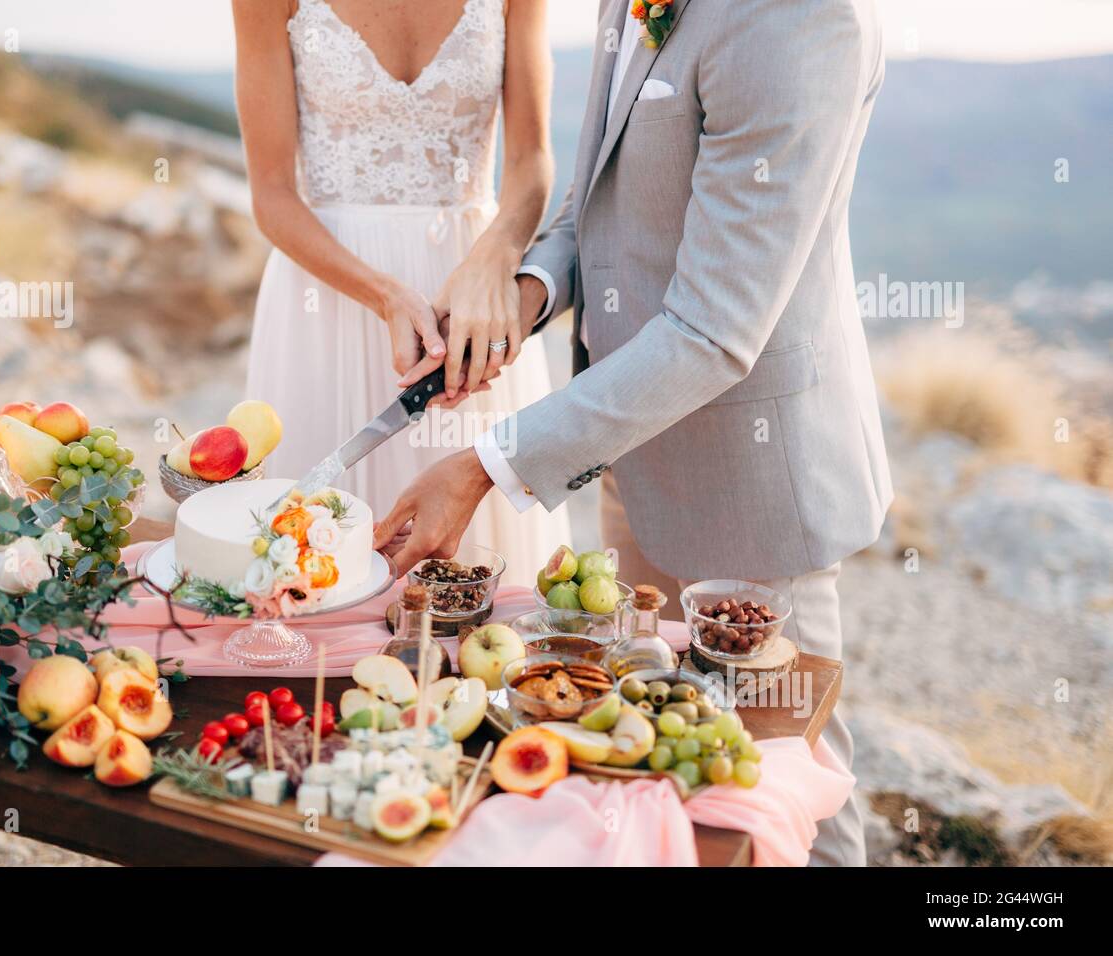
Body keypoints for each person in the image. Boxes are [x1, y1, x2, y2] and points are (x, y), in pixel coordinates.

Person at [376, 0, 892, 866]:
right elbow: (605, 202)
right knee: (662, 764)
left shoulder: (802, 18)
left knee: (789, 787)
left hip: (755, 483)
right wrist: (522, 301)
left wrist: (485, 464)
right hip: (632, 453)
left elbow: (715, 329)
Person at [233, 0, 570, 574]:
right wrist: (383, 294)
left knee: (479, 569)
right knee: (308, 562)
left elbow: (531, 159)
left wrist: (493, 259)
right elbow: (270, 192)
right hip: (328, 296)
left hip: (474, 299)